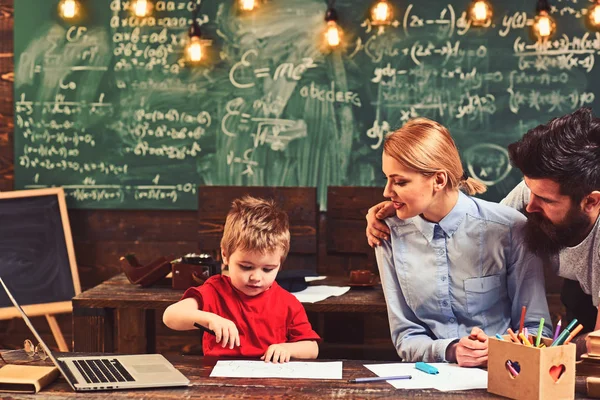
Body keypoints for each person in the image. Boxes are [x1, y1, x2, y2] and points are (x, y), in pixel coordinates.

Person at [367, 107, 600, 357]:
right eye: (529, 190)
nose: (529, 207)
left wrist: (508, 350)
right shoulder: (529, 200)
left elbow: (590, 343)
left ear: (591, 202)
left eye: (400, 181)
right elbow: (490, 229)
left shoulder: (522, 226)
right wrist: (400, 205)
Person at [163, 196, 320, 363]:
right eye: (246, 267)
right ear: (225, 255)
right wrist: (209, 319)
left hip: (271, 384)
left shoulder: (287, 303)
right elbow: (170, 316)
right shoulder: (215, 291)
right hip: (219, 382)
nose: (256, 277)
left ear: (280, 263)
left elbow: (312, 348)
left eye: (268, 269)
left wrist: (286, 348)